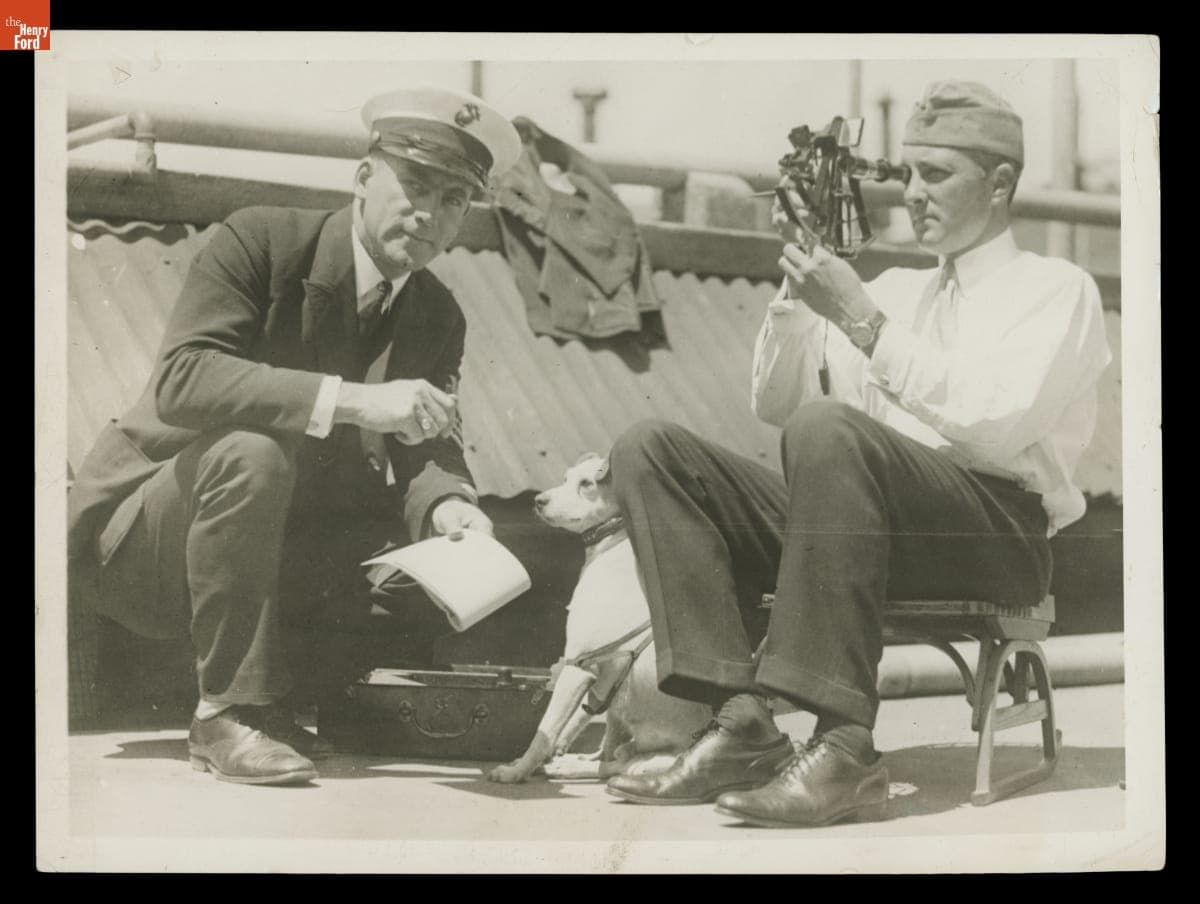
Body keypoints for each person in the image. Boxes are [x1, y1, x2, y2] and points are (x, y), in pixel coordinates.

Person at [603, 81, 1112, 827]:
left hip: (992, 533)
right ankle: (742, 723)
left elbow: (994, 425)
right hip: (854, 527)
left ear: (1000, 184)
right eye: (906, 174)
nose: (912, 194)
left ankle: (845, 747)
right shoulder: (897, 288)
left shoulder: (1056, 289)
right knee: (651, 450)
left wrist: (863, 321)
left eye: (935, 175)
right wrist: (798, 274)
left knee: (830, 429)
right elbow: (776, 403)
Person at [67, 87, 521, 786]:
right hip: (140, 546)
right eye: (417, 184)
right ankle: (223, 712)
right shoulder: (260, 238)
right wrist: (357, 402)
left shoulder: (437, 313)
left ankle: (283, 703)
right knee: (253, 454)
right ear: (364, 176)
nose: (430, 213)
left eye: (455, 199)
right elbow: (184, 379)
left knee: (414, 567)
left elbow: (424, 440)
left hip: (266, 548)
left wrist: (448, 504)